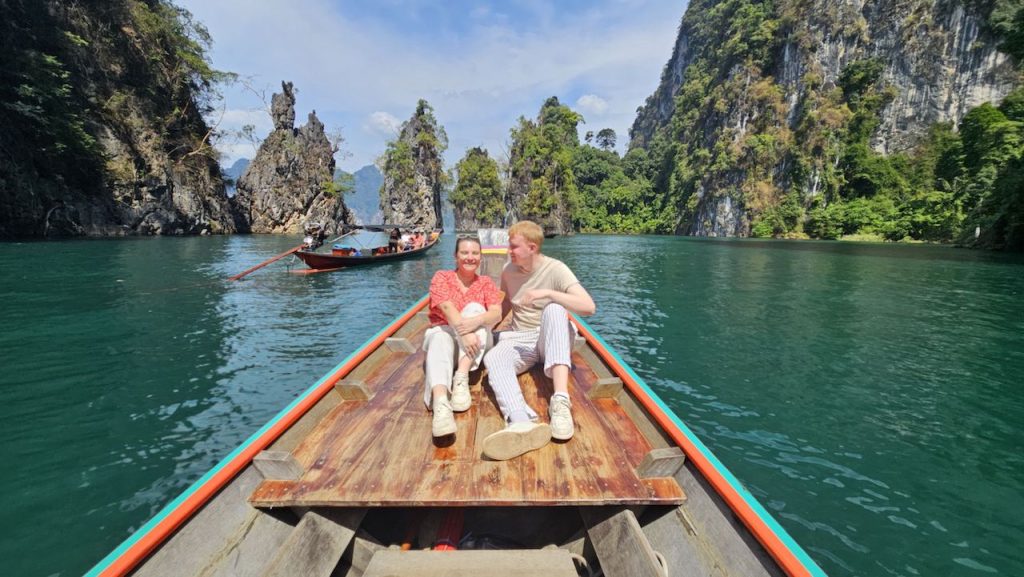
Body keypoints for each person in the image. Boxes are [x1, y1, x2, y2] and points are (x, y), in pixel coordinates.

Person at [481, 220, 596, 460]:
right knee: (494, 356)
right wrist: (484, 331)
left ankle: (561, 403)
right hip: (521, 338)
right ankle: (521, 422)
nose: (508, 252)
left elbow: (588, 307)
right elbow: (504, 305)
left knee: (554, 309)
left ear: (532, 248)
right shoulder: (508, 272)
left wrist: (548, 294)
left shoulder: (556, 269)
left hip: (550, 336)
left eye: (513, 247)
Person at [423, 235, 503, 437]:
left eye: (475, 253)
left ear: (481, 257)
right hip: (449, 339)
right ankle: (441, 403)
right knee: (438, 336)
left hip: (474, 343)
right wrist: (463, 332)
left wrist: (474, 323)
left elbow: (496, 313)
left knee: (476, 309)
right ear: (455, 256)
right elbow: (447, 308)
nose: (470, 257)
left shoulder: (485, 282)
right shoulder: (442, 277)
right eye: (465, 253)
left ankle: (461, 378)